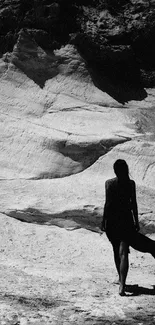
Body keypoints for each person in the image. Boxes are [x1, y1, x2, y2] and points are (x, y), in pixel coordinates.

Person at [101, 159, 155, 296]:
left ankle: (121, 283)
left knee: (116, 251)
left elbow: (107, 204)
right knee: (123, 252)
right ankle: (121, 284)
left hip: (112, 222)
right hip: (125, 221)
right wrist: (136, 221)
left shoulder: (109, 184)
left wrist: (103, 221)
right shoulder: (130, 184)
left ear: (115, 170)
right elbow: (134, 204)